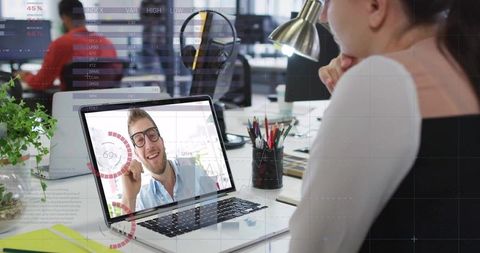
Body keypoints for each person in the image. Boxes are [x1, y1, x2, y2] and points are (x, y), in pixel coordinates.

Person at [289, 0, 480, 252]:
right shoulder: (460, 63)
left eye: (330, 1)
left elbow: (313, 245)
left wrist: (356, 95)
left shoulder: (379, 80)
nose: (323, 15)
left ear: (376, 6)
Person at [122, 108, 217, 212]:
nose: (149, 146)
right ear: (137, 154)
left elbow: (219, 213)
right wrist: (128, 198)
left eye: (152, 135)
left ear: (162, 141)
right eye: (140, 140)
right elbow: (125, 228)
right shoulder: (144, 200)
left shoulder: (197, 174)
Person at [15, 0, 117, 91]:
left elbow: (41, 82)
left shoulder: (62, 44)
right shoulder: (107, 43)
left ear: (64, 18)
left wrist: (25, 76)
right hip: (102, 108)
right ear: (83, 16)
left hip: (69, 105)